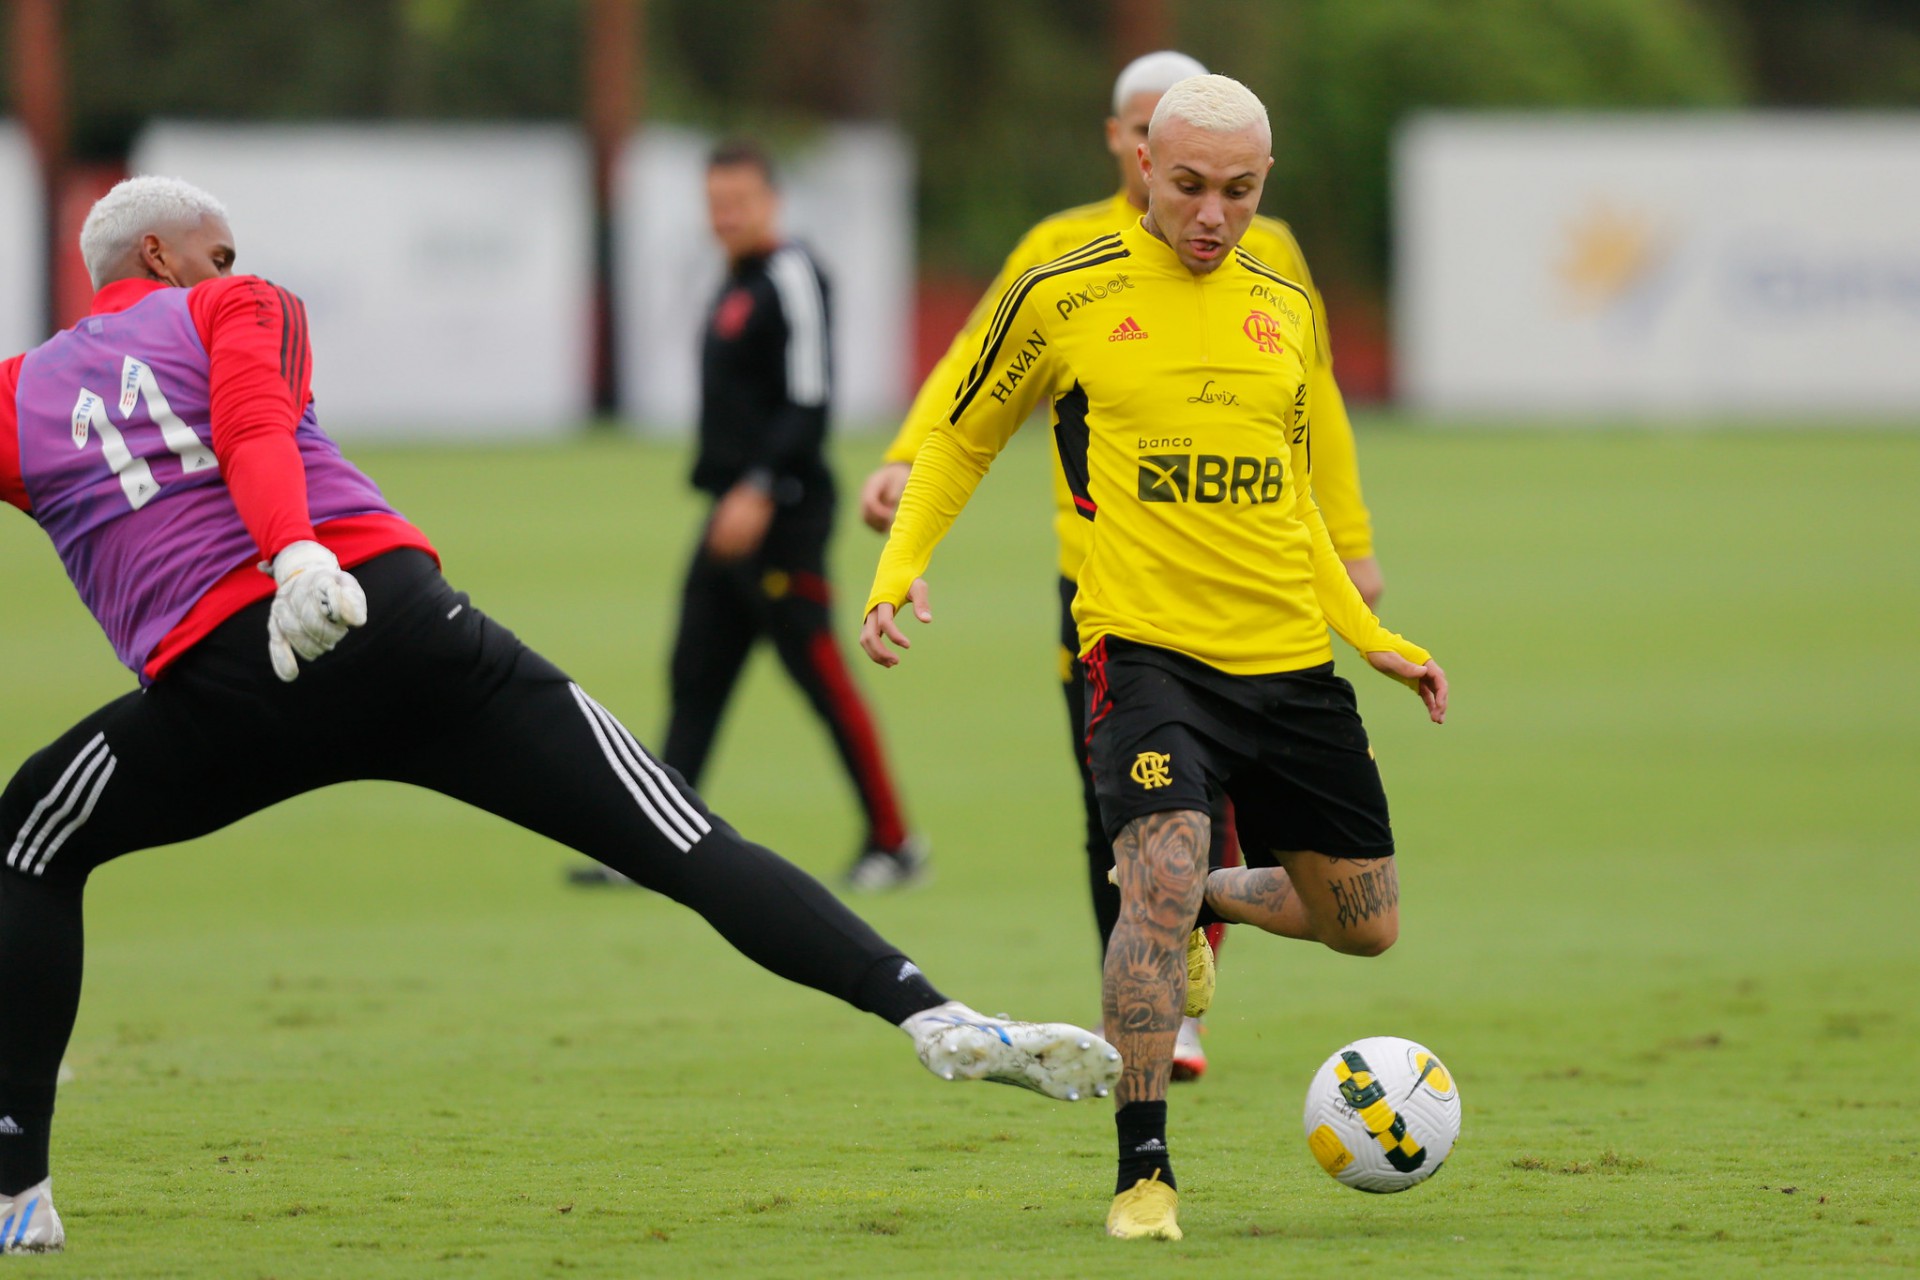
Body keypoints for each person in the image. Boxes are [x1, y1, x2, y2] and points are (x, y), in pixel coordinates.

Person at [0, 176, 1120, 1256]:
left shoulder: (19, 393)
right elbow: (251, 422)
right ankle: (929, 1011)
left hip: (226, 682)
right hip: (388, 619)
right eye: (217, 249)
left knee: (29, 842)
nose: (237, 267)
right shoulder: (237, 304)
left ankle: (19, 1193)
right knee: (683, 837)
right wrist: (296, 553)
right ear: (160, 256)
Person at [859, 76, 1448, 1241]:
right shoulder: (1064, 289)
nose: (1212, 214)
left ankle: (1190, 904)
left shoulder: (1282, 300)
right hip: (1142, 649)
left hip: (1286, 657)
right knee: (1158, 862)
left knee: (1365, 920)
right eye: (1188, 185)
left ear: (1262, 185)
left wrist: (1372, 636)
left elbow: (1288, 506)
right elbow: (961, 438)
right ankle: (1144, 1172)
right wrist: (896, 567)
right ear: (1143, 165)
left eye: (1237, 191)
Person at [577, 140, 923, 892]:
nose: (725, 218)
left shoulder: (793, 275)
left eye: (738, 203)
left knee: (820, 675)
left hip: (781, 514)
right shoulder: (737, 279)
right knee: (694, 674)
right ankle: (656, 844)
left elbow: (810, 399)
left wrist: (760, 486)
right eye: (715, 206)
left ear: (772, 202)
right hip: (730, 515)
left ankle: (896, 844)